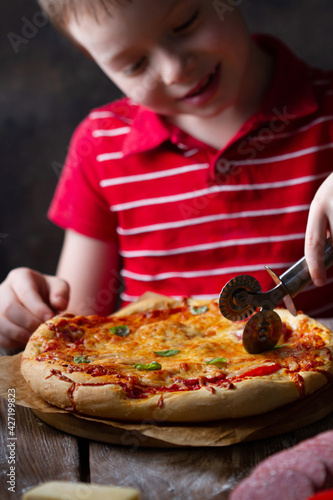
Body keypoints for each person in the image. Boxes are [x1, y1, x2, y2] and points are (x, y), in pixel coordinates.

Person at [1, 0, 333, 348]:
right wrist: (27, 308)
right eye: (135, 64)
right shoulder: (99, 146)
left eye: (185, 23)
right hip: (149, 382)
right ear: (94, 59)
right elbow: (73, 324)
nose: (175, 69)